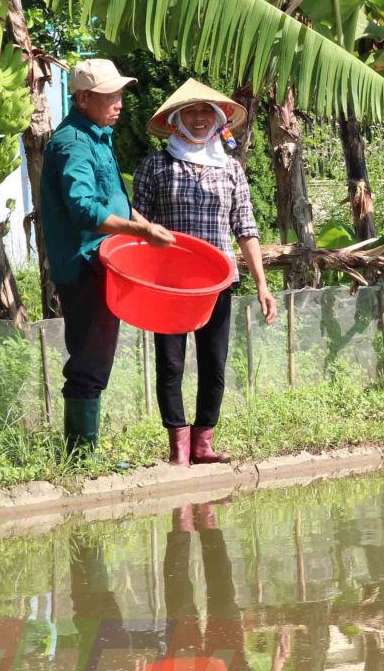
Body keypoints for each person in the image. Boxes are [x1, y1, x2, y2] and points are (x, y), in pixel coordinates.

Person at [134, 80, 277, 466]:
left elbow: (246, 229)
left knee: (214, 362)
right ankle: (178, 449)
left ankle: (203, 444)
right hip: (170, 285)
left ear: (218, 121)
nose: (199, 119)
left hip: (218, 282)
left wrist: (263, 285)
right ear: (176, 120)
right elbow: (137, 223)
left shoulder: (231, 169)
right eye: (191, 112)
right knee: (171, 362)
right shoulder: (157, 165)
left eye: (206, 113)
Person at [42, 59, 175, 454]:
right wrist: (140, 231)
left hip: (105, 262)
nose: (119, 103)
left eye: (119, 94)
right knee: (90, 359)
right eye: (109, 96)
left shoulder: (98, 135)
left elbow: (110, 198)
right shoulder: (72, 144)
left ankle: (85, 450)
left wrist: (142, 221)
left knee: (97, 356)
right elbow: (83, 208)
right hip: (86, 266)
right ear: (83, 99)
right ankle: (81, 456)